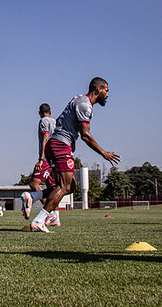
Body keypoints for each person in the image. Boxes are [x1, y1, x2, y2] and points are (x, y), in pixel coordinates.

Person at [29, 77, 120, 233]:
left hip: (57, 144)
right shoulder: (85, 105)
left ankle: (34, 197)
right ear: (98, 90)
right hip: (60, 146)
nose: (107, 94)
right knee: (64, 186)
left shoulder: (78, 99)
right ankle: (39, 220)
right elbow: (85, 135)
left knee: (70, 186)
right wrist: (103, 153)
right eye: (106, 90)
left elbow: (60, 120)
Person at [20, 103, 60, 226]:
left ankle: (49, 211)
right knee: (53, 187)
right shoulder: (54, 121)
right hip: (56, 157)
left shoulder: (44, 121)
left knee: (34, 183)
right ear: (51, 112)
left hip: (47, 158)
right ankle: (56, 218)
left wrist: (41, 158)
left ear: (39, 113)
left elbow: (45, 138)